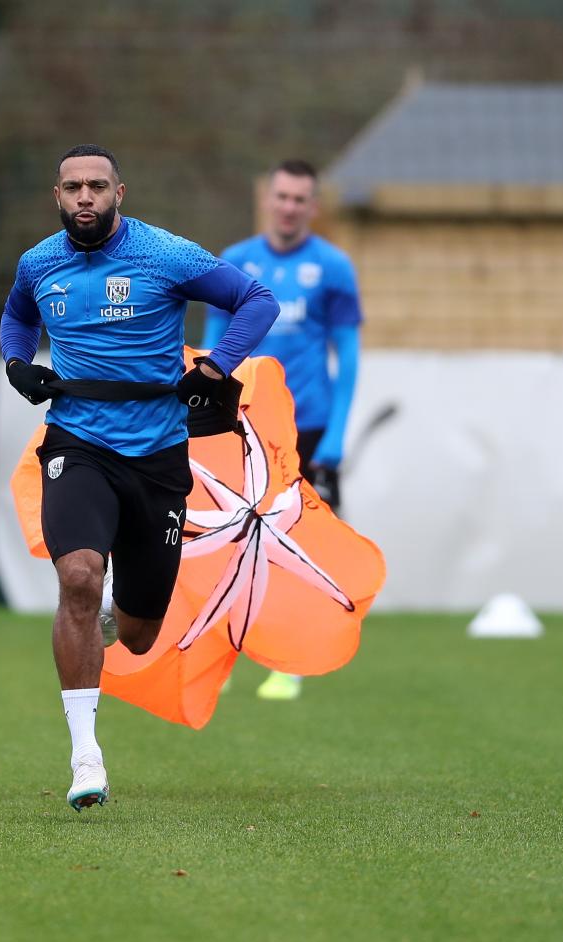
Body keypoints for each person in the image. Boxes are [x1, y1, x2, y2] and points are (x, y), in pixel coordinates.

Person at [0, 144, 276, 811]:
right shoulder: (38, 264)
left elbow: (257, 303)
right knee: (77, 575)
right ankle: (84, 753)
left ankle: (105, 623)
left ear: (120, 191)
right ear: (57, 196)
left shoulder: (165, 255)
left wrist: (216, 365)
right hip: (76, 442)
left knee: (142, 631)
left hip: (156, 454)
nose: (85, 197)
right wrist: (17, 362)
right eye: (72, 188)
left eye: (97, 185)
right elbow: (16, 317)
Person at [202, 158, 364, 701]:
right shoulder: (235, 263)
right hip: (244, 425)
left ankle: (289, 663)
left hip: (309, 427)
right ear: (267, 200)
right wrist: (208, 416)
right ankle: (216, 656)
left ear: (313, 207)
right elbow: (212, 349)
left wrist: (337, 435)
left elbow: (349, 357)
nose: (290, 207)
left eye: (301, 199)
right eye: (283, 196)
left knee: (296, 547)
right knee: (225, 541)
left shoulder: (334, 268)